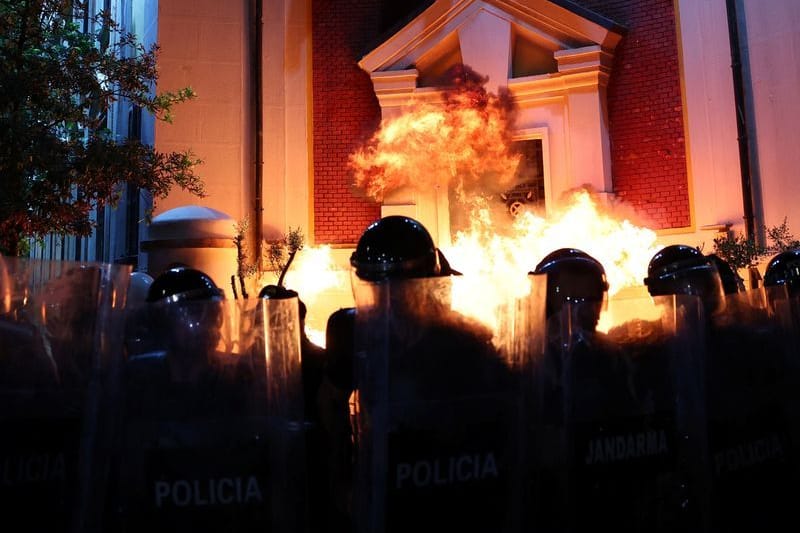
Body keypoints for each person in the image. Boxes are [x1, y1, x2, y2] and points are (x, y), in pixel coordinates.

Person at [325, 215, 515, 533]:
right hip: (390, 489)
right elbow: (331, 417)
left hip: (452, 485)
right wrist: (343, 489)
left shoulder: (464, 339)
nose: (393, 301)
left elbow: (501, 414)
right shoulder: (353, 332)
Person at [644, 244, 797, 532]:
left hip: (760, 482)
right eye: (687, 286)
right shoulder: (651, 354)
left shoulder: (754, 341)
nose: (697, 295)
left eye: (702, 283)